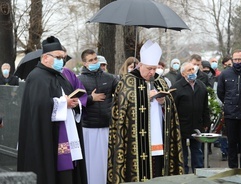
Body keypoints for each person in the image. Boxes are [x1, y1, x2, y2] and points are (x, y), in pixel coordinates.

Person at [108, 40, 184, 183]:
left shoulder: (160, 81)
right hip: (134, 141)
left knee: (158, 171)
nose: (152, 72)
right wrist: (144, 97)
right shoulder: (127, 81)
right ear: (140, 65)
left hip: (159, 136)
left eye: (154, 68)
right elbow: (121, 109)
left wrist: (164, 102)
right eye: (149, 68)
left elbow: (171, 109)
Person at [17, 36, 87, 184]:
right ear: (45, 58)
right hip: (48, 138)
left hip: (67, 132)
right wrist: (63, 103)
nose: (61, 60)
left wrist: (75, 104)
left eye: (63, 57)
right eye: (58, 57)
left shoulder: (60, 76)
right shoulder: (36, 77)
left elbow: (71, 96)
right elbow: (38, 106)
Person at [77, 49, 118, 184]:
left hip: (107, 125)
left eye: (95, 59)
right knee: (91, 162)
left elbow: (121, 93)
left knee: (106, 161)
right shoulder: (79, 80)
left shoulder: (109, 78)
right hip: (89, 127)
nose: (94, 62)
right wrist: (90, 98)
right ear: (84, 63)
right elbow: (75, 102)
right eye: (91, 60)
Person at [171, 61, 210, 174]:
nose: (192, 72)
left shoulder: (201, 86)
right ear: (183, 74)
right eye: (189, 70)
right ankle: (184, 174)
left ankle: (198, 174)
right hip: (182, 125)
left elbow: (205, 106)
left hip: (197, 125)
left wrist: (206, 123)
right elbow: (173, 109)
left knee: (197, 152)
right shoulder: (176, 88)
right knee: (183, 154)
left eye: (193, 69)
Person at [217, 49, 241, 168]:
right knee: (232, 142)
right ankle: (232, 168)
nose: (237, 62)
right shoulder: (225, 74)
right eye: (235, 59)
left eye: (239, 59)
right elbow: (220, 92)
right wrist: (228, 104)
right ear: (232, 59)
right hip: (230, 114)